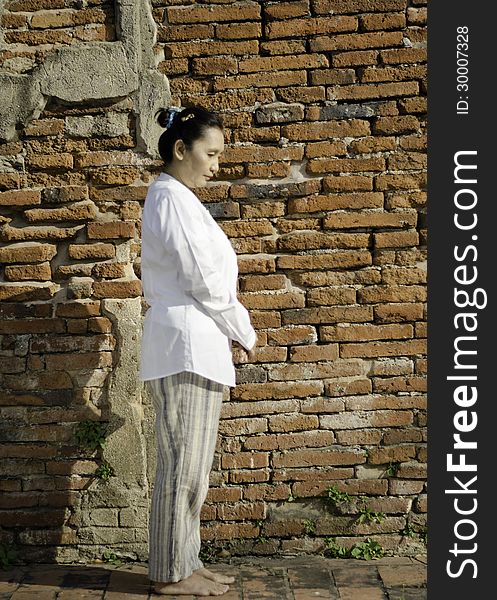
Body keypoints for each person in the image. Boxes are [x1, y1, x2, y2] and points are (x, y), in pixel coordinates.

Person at [139, 105, 257, 596]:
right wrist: (243, 329)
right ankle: (170, 575)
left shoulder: (180, 199)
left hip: (196, 345)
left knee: (194, 469)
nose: (216, 165)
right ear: (181, 149)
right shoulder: (170, 198)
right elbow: (204, 279)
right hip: (184, 344)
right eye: (210, 154)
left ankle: (186, 560)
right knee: (182, 466)